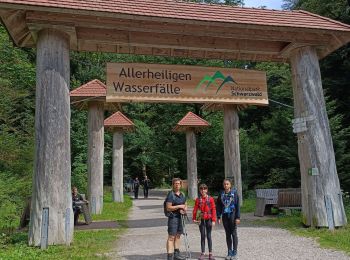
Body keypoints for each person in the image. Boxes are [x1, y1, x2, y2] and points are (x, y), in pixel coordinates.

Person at [216, 179, 240, 260]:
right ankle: (229, 252)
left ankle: (235, 252)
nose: (226, 185)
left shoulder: (234, 194)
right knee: (227, 234)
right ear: (223, 185)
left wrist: (238, 217)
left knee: (233, 233)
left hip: (232, 215)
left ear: (230, 185)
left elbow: (237, 206)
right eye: (225, 184)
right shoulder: (221, 194)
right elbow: (218, 206)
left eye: (227, 184)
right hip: (225, 215)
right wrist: (218, 216)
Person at [192, 184, 217, 260]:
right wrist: (194, 218)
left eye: (204, 189)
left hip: (208, 219)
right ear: (200, 190)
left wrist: (213, 220)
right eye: (201, 189)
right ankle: (203, 253)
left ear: (207, 190)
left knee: (209, 236)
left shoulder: (211, 199)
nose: (203, 190)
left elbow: (213, 209)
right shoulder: (198, 199)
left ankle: (210, 253)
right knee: (203, 236)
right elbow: (195, 210)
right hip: (201, 219)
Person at [165, 178, 187, 260]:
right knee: (171, 237)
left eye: (178, 183)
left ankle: (176, 254)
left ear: (181, 185)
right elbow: (168, 207)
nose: (177, 185)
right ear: (173, 185)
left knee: (178, 235)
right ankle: (170, 256)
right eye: (175, 183)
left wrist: (184, 209)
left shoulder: (183, 194)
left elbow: (185, 204)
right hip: (173, 218)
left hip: (181, 217)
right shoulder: (171, 194)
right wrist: (179, 206)